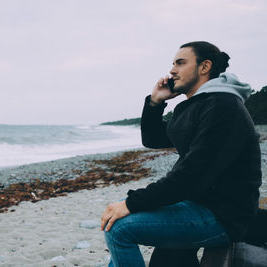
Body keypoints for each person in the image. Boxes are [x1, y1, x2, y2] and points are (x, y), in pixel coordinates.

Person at [101, 41, 262, 267]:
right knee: (117, 213)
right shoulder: (198, 105)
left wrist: (133, 202)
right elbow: (154, 139)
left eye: (180, 63)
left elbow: (192, 176)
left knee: (119, 228)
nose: (172, 70)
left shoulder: (223, 107)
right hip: (201, 203)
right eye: (173, 64)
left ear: (204, 67)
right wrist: (155, 102)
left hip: (223, 216)